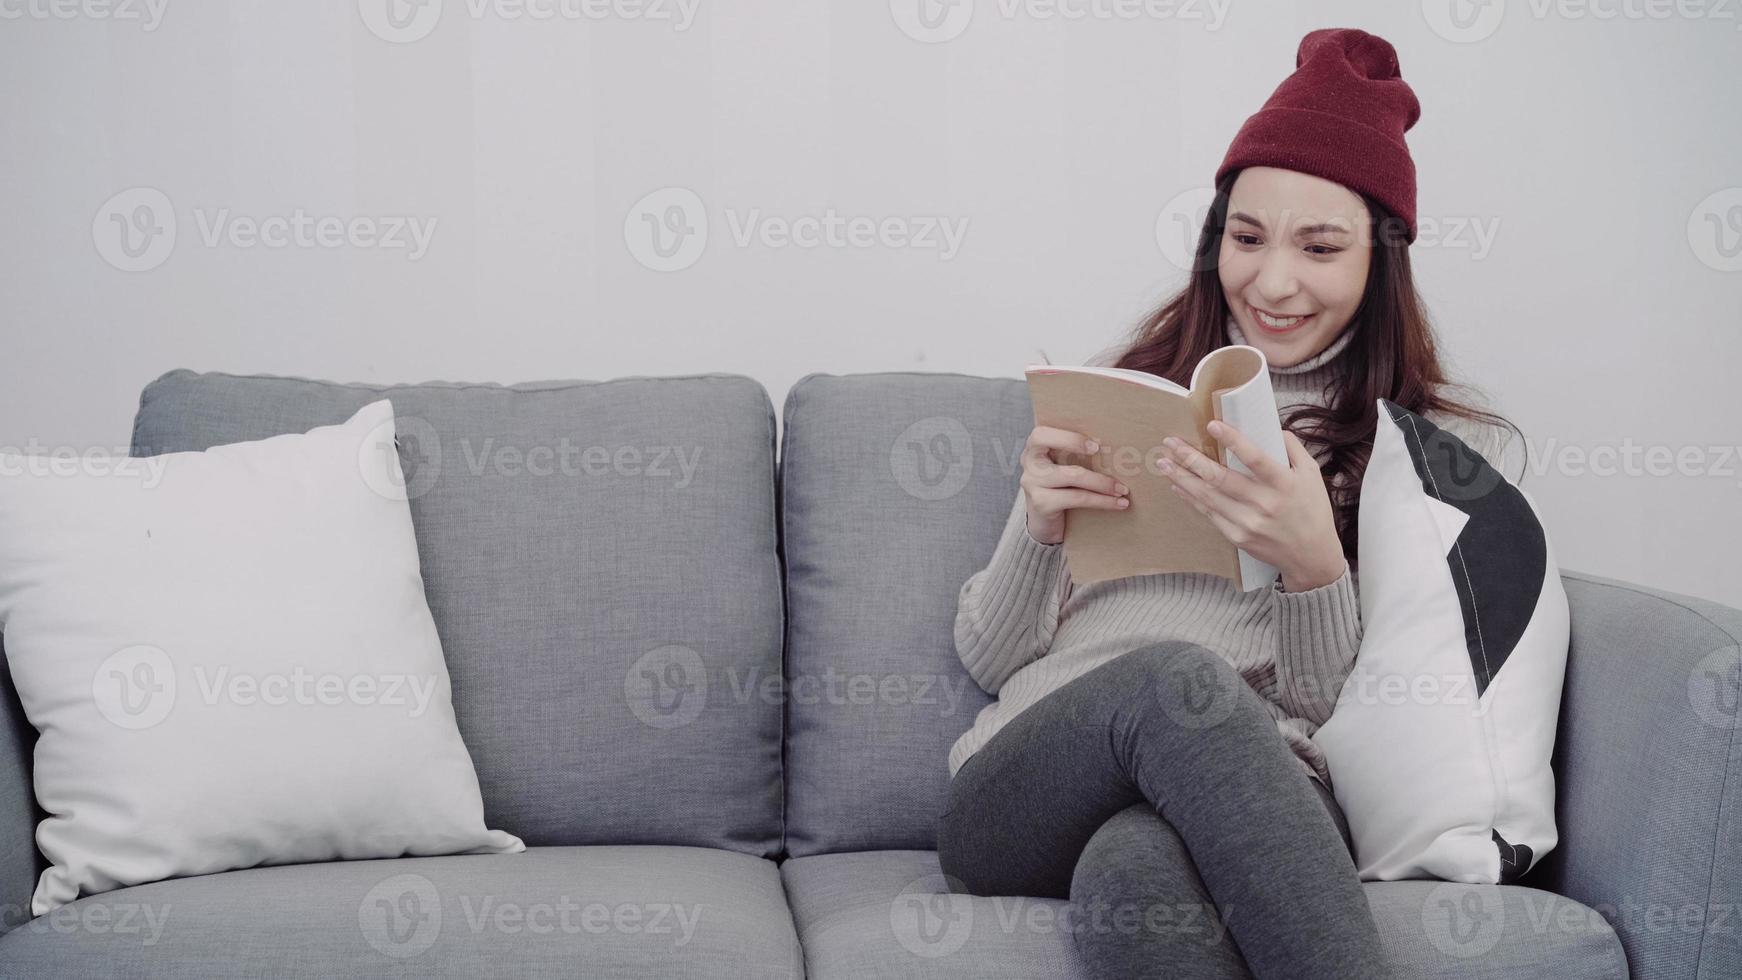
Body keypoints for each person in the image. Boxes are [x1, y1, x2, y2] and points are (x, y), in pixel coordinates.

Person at [935, 27, 1523, 980]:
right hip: (1023, 789)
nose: (1274, 281)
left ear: (1381, 261)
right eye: (1247, 239)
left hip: (1248, 796)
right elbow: (991, 655)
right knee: (1173, 677)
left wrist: (1313, 566)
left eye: (1320, 247)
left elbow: (1335, 712)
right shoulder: (1122, 395)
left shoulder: (1419, 457)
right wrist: (1040, 532)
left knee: (1133, 872)